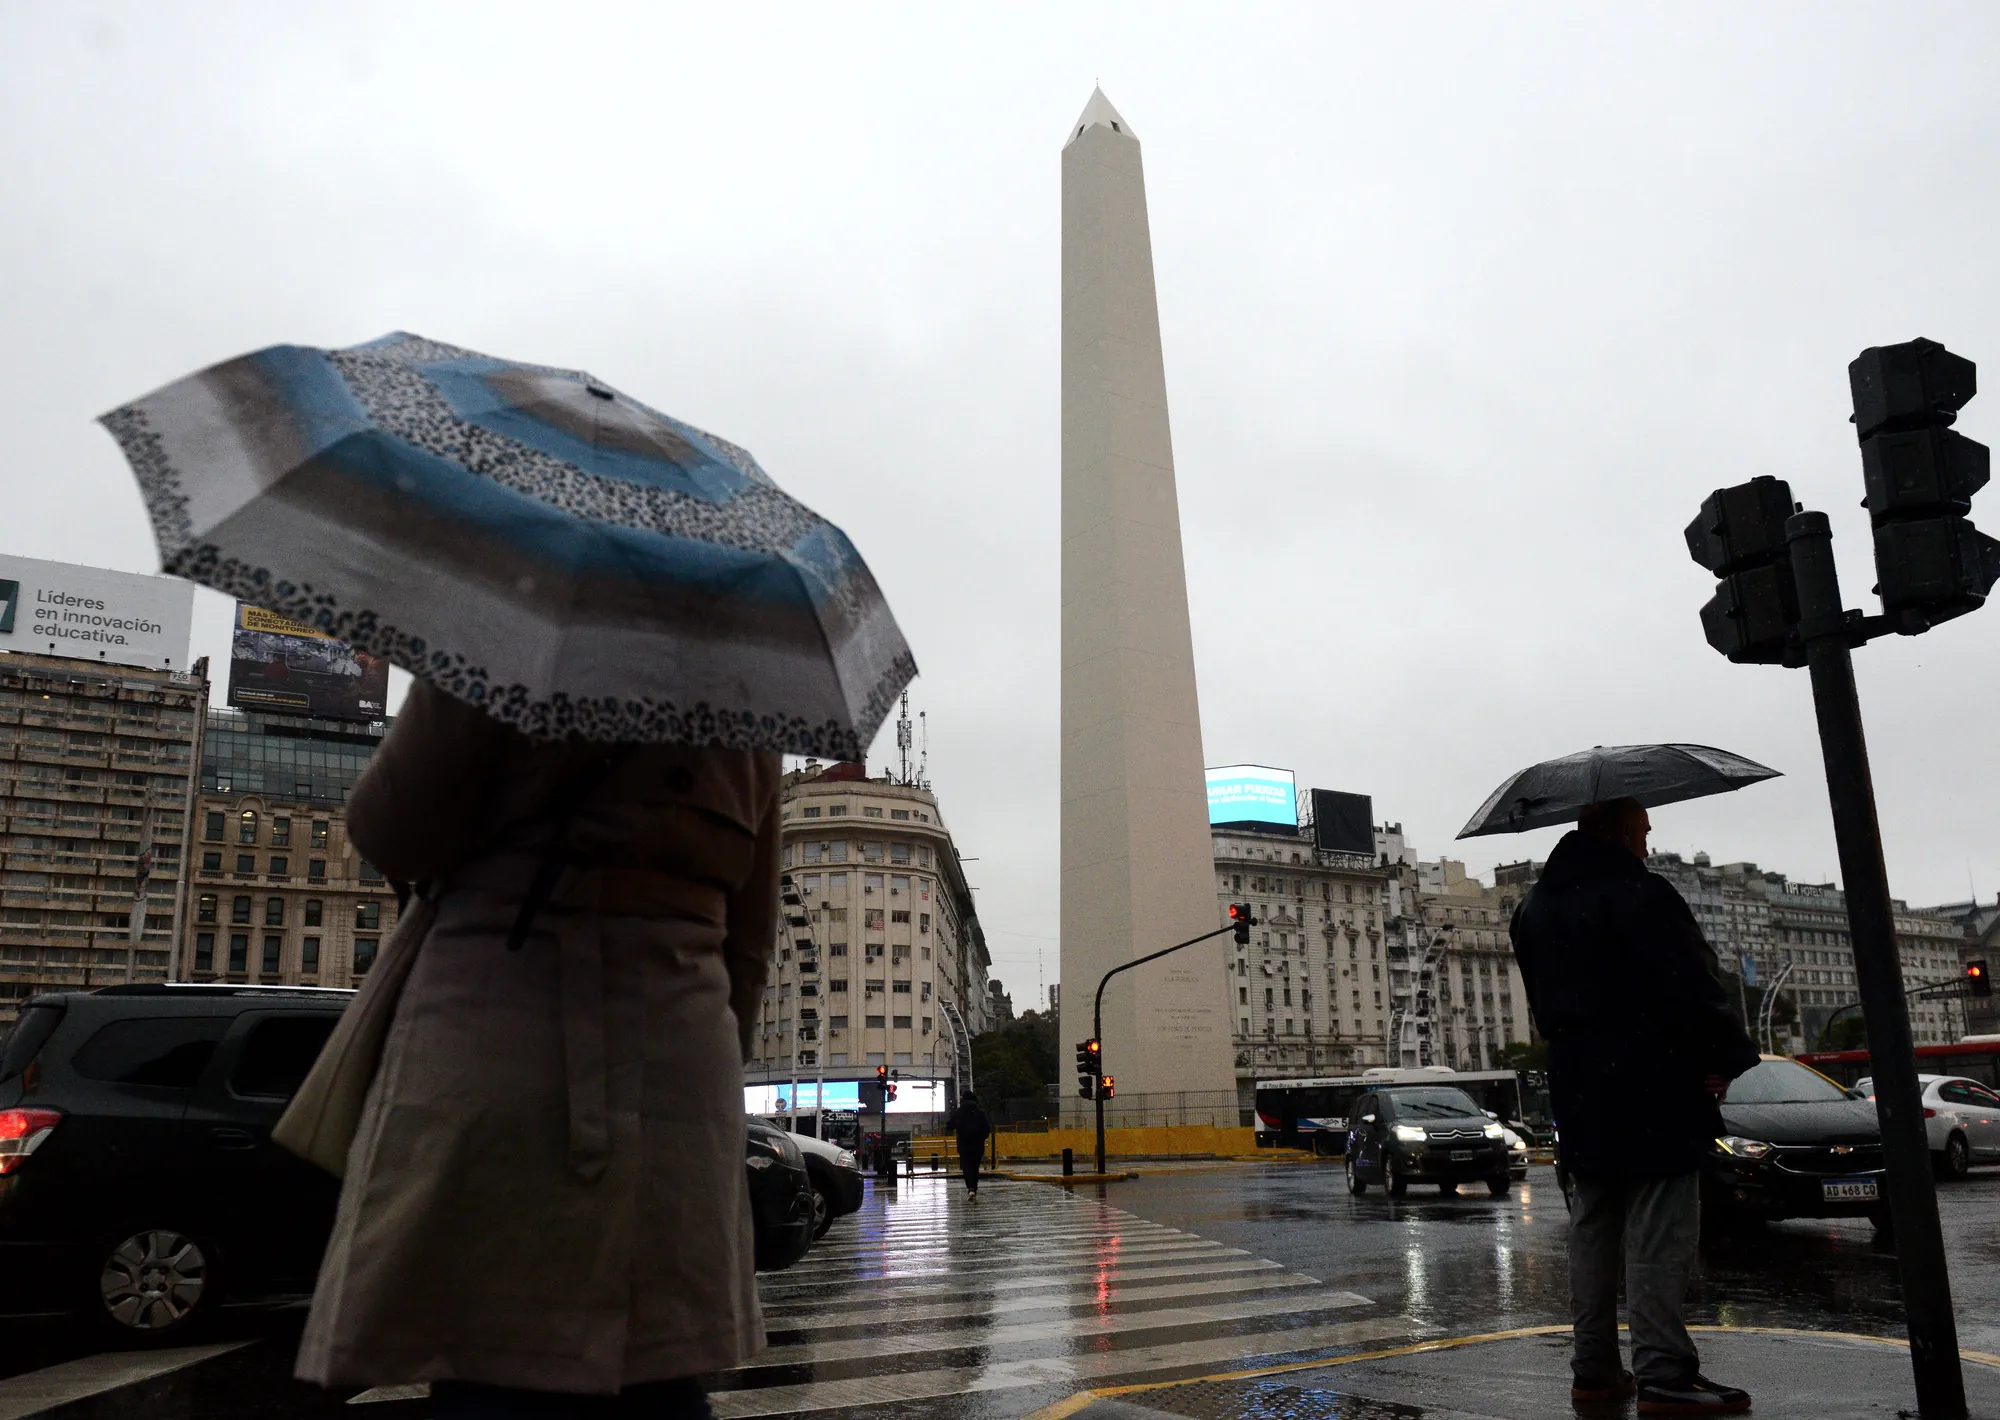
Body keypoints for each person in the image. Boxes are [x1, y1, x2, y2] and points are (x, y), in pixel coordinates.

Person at [292, 682, 779, 1420]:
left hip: (496, 1033)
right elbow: (751, 943)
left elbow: (391, 832)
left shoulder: (501, 655)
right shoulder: (751, 697)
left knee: (490, 1354)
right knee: (655, 1361)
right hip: (679, 1061)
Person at [1509, 797, 1760, 1416]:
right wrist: (1727, 1056)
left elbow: (1543, 1000)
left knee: (1593, 1226)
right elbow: (1693, 984)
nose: (1648, 842)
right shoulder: (1643, 894)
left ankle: (1594, 1369)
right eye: (1644, 831)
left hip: (1578, 1082)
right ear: (1622, 832)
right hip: (1654, 1078)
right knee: (1659, 1230)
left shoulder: (1532, 908)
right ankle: (1664, 1372)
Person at [943, 1090, 993, 1200]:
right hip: (978, 1146)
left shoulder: (960, 1112)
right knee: (975, 1167)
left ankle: (970, 1188)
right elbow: (986, 1128)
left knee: (967, 1167)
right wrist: (981, 1138)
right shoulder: (980, 1112)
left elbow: (949, 1125)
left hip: (964, 1145)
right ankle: (974, 1188)